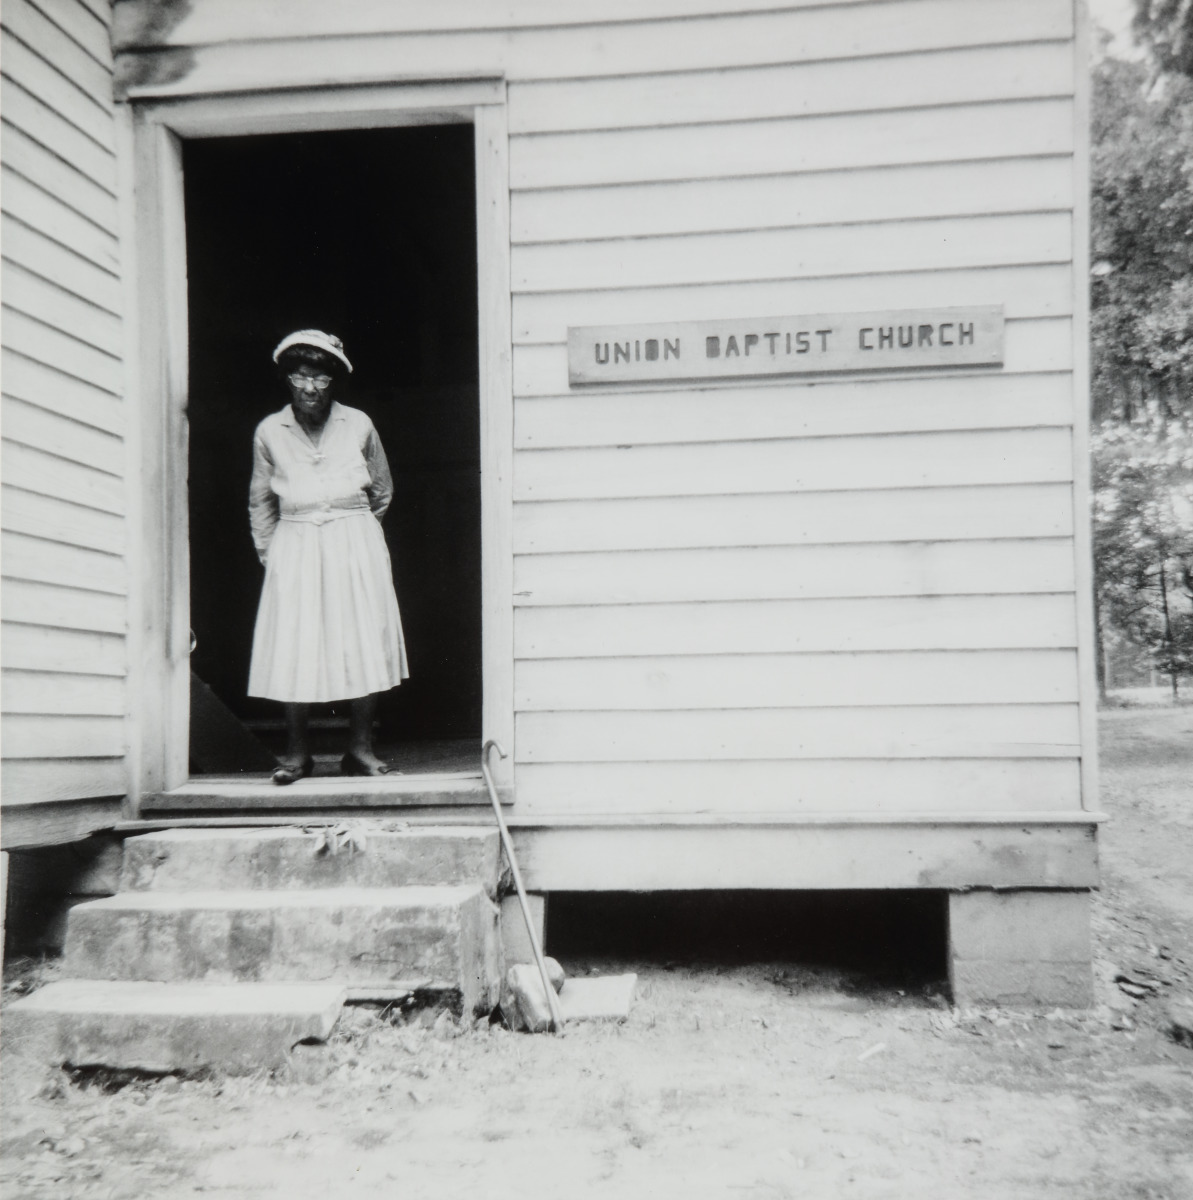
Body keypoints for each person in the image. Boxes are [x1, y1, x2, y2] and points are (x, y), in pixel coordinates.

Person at [247, 329, 408, 784]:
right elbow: (260, 501)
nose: (311, 388)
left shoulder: (357, 423)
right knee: (296, 643)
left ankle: (359, 750)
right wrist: (272, 554)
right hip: (294, 542)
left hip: (353, 538)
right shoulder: (269, 431)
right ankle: (297, 755)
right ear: (287, 380)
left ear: (333, 382)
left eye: (320, 378)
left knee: (359, 639)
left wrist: (353, 530)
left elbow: (382, 489)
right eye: (301, 377)